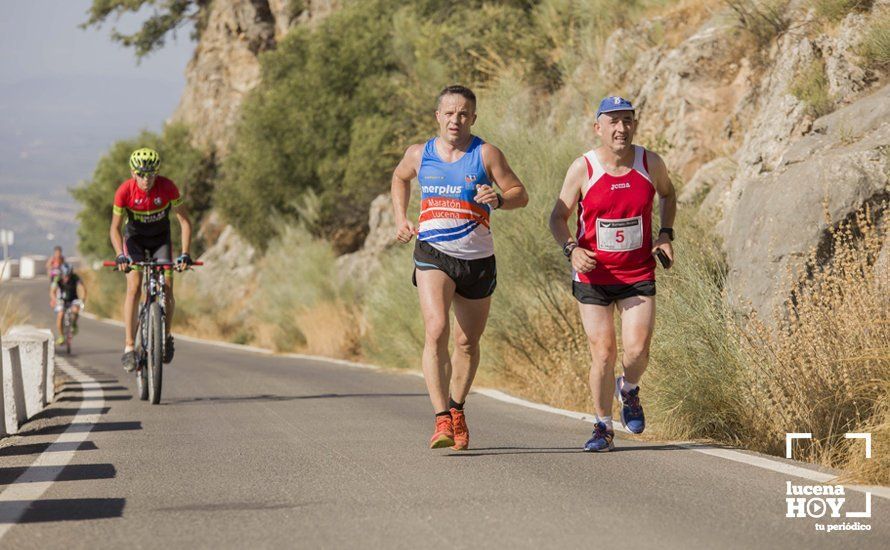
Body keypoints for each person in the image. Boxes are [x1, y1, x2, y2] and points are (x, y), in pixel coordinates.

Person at [391, 85, 529, 450]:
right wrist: (400, 218)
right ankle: (440, 420)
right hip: (433, 253)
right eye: (449, 113)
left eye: (464, 113)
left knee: (467, 342)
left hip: (477, 259)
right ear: (438, 116)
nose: (456, 119)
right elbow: (399, 177)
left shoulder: (486, 154)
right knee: (436, 329)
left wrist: (498, 199)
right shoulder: (420, 154)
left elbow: (520, 193)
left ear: (473, 118)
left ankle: (457, 409)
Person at [548, 96, 676, 452]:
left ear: (634, 123)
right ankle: (602, 426)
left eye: (627, 120)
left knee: (637, 351)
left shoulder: (650, 162)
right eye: (613, 122)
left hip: (637, 271)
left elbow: (668, 195)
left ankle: (630, 390)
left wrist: (665, 234)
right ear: (598, 128)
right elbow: (557, 217)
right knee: (603, 352)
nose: (621, 129)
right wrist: (572, 250)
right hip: (593, 276)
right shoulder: (583, 168)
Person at [109, 147, 193, 372]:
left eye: (151, 174)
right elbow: (115, 229)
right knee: (134, 287)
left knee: (166, 288)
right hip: (134, 242)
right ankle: (128, 346)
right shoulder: (124, 191)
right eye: (141, 174)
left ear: (157, 173)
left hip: (160, 241)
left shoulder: (167, 187)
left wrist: (185, 253)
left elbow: (184, 222)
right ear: (132, 173)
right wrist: (120, 255)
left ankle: (165, 337)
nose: (146, 179)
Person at [49, 263, 87, 345]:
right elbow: (52, 291)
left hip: (73, 299)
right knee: (60, 315)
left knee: (76, 310)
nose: (67, 278)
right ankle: (61, 336)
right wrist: (54, 299)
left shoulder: (75, 277)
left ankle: (73, 324)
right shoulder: (57, 278)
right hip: (61, 300)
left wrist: (83, 299)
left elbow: (83, 288)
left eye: (69, 275)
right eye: (65, 275)